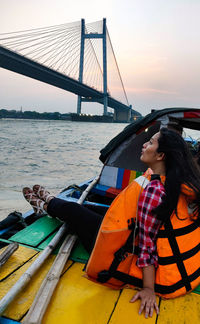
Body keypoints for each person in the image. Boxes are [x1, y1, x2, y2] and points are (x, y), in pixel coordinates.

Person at [22, 128, 200, 318]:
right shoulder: (183, 183)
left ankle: (46, 205)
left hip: (135, 262)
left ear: (160, 155)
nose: (144, 145)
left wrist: (148, 288)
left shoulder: (155, 191)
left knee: (76, 212)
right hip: (180, 270)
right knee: (99, 211)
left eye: (150, 143)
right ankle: (49, 201)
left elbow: (147, 246)